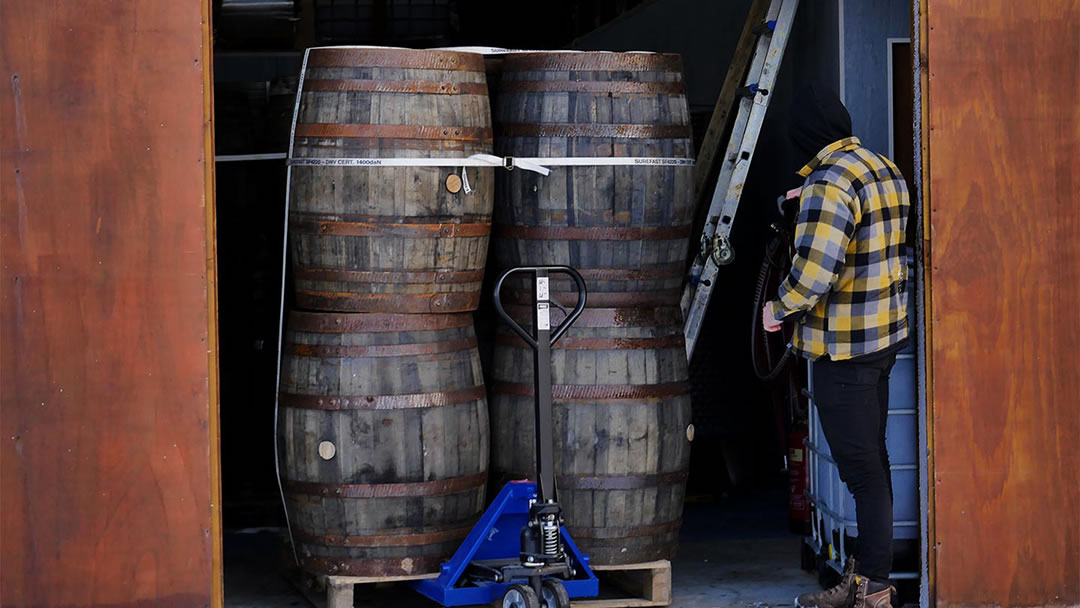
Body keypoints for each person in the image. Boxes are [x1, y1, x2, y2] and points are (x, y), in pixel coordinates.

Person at [763, 83, 910, 608]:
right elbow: (870, 239)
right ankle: (867, 579)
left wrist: (775, 309)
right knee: (873, 462)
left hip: (842, 350)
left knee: (862, 470)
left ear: (805, 135)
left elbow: (813, 277)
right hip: (882, 340)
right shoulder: (883, 169)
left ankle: (872, 590)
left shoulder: (828, 183)